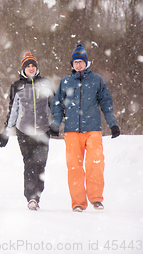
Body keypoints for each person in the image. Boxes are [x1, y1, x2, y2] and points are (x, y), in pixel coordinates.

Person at [50, 44, 120, 212]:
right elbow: (58, 105)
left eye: (81, 62)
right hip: (72, 131)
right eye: (76, 62)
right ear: (72, 64)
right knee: (74, 167)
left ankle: (96, 198)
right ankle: (78, 203)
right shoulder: (66, 82)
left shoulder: (97, 80)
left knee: (95, 164)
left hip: (93, 129)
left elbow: (106, 103)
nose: (78, 65)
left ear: (86, 63)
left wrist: (113, 124)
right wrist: (55, 124)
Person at [0, 52, 55, 210]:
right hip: (24, 131)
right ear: (23, 68)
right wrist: (6, 132)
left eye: (33, 66)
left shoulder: (45, 83)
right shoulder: (17, 86)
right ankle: (31, 197)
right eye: (27, 66)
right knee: (29, 163)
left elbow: (54, 105)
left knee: (41, 165)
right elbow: (13, 110)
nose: (30, 68)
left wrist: (56, 124)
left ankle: (38, 194)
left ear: (37, 68)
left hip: (43, 130)